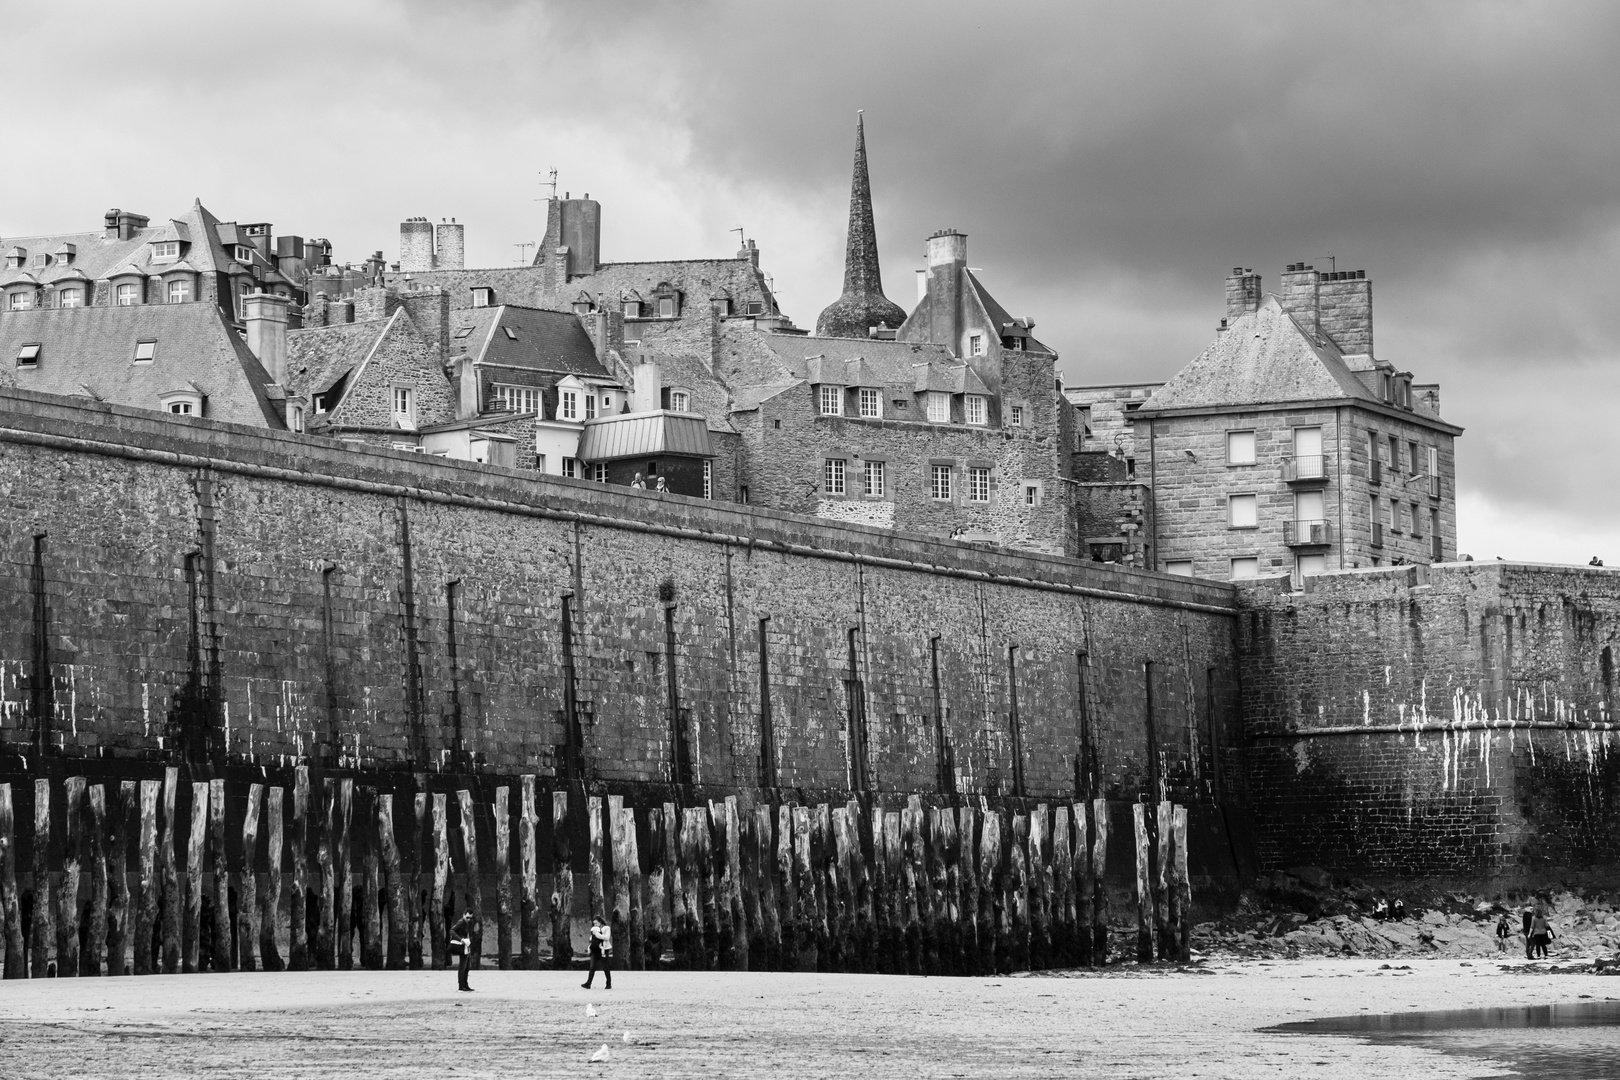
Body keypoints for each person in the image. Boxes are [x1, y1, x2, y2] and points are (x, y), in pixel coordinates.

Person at [582, 914, 612, 990]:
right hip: (595, 950)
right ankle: (588, 983)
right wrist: (590, 946)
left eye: (596, 923)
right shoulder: (594, 929)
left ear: (600, 922)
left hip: (603, 950)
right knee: (592, 967)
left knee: (605, 967)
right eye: (594, 923)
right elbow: (591, 939)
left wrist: (597, 934)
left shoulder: (606, 928)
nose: (595, 925)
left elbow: (607, 937)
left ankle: (608, 984)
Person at [451, 910, 475, 991]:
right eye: (467, 917)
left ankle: (465, 984)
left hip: (467, 945)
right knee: (463, 966)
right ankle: (461, 985)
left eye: (470, 918)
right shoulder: (461, 922)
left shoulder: (467, 923)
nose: (469, 919)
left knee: (467, 967)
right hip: (462, 945)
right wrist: (461, 939)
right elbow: (452, 930)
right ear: (463, 915)